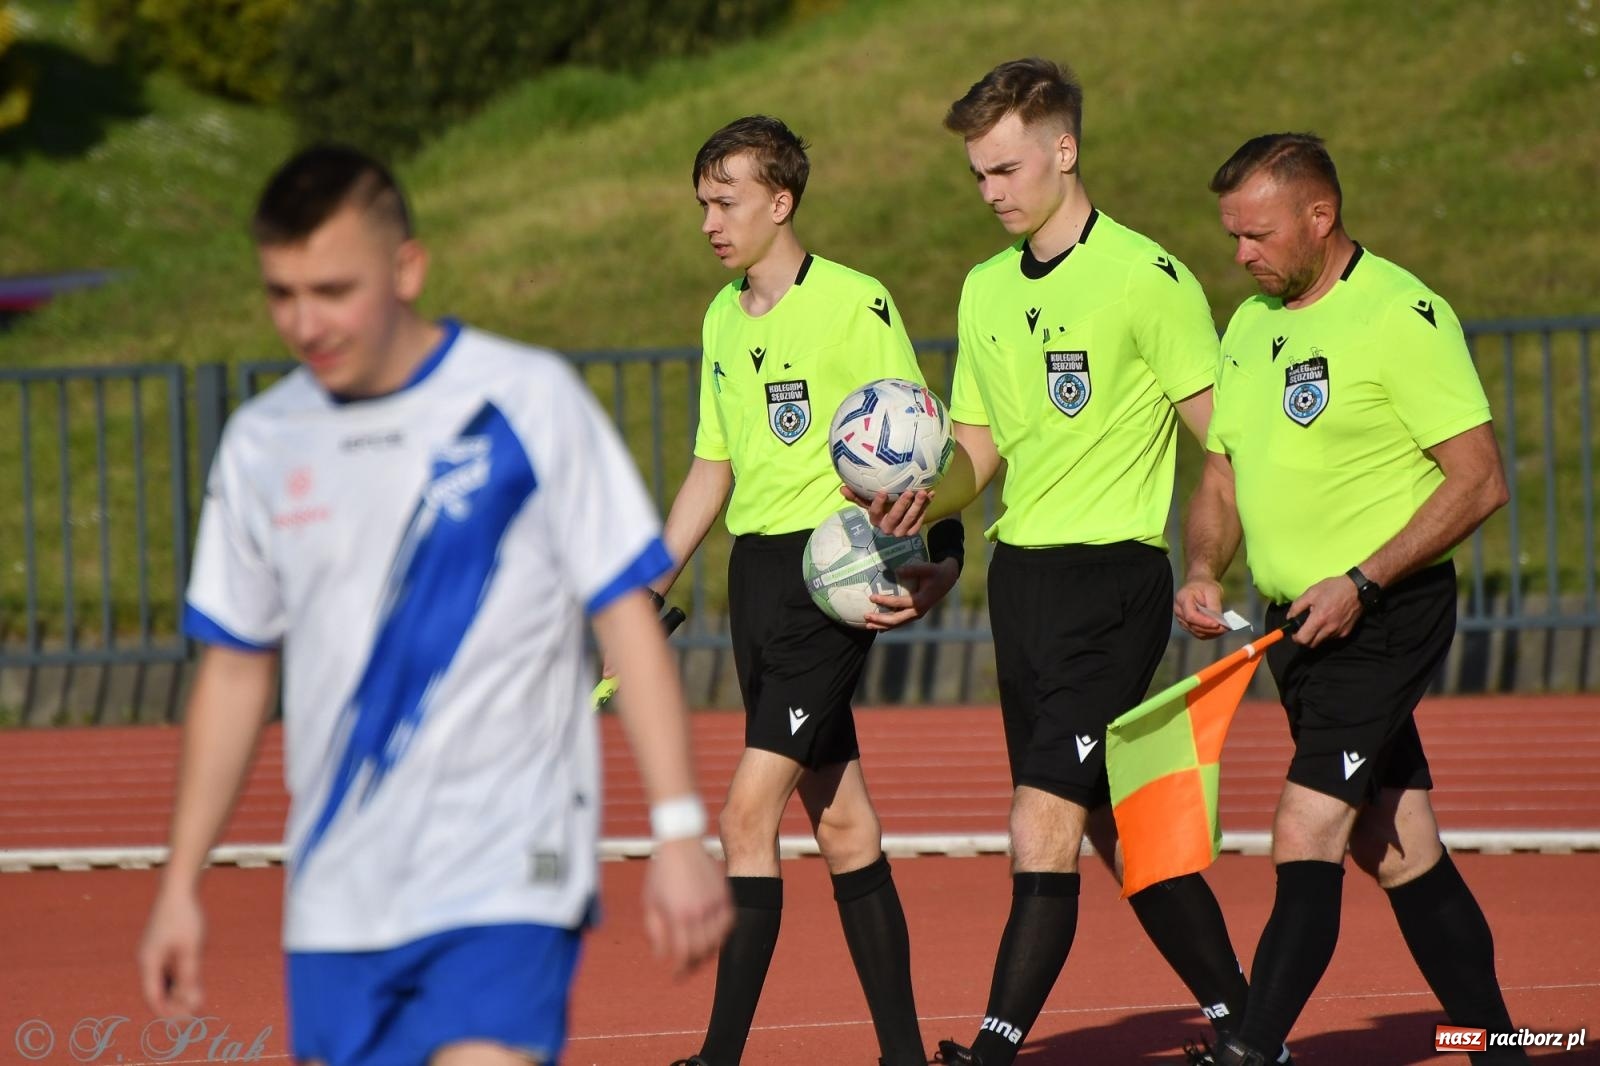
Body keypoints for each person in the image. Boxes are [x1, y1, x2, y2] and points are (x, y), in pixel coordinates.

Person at [136, 145, 731, 1066]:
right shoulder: (263, 443)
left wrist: (679, 830)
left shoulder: (527, 402)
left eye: (333, 290)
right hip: (338, 893)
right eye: (282, 294)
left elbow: (628, 621)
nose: (306, 322)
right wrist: (179, 882)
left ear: (407, 268)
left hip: (506, 875)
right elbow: (235, 667)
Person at [861, 58, 1276, 1066]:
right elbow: (976, 449)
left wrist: (1218, 560)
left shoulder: (1146, 277)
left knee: (1038, 819)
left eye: (1004, 168)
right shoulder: (982, 289)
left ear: (1064, 149)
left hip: (1113, 584)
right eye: (976, 174)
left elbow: (1222, 441)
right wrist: (914, 494)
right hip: (1024, 587)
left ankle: (995, 1049)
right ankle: (1246, 1029)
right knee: (1114, 832)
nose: (991, 191)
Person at [1173, 132, 1523, 1065]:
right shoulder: (1250, 324)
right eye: (1232, 237)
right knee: (1398, 843)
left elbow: (1479, 480)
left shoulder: (1399, 314)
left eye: (1258, 235)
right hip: (1297, 627)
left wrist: (1364, 580)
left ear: (1320, 218)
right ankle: (1501, 1043)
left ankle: (1252, 1048)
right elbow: (1221, 477)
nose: (1241, 255)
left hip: (1383, 614)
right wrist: (1206, 566)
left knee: (1306, 825)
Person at [654, 115, 958, 1066]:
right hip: (755, 580)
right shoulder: (718, 315)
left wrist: (932, 547)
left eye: (727, 201)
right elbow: (713, 469)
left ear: (780, 203)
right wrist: (641, 586)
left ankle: (718, 1059)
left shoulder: (856, 305)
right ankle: (905, 1058)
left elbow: (924, 441)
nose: (710, 220)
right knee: (840, 819)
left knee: (749, 814)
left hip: (834, 579)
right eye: (703, 202)